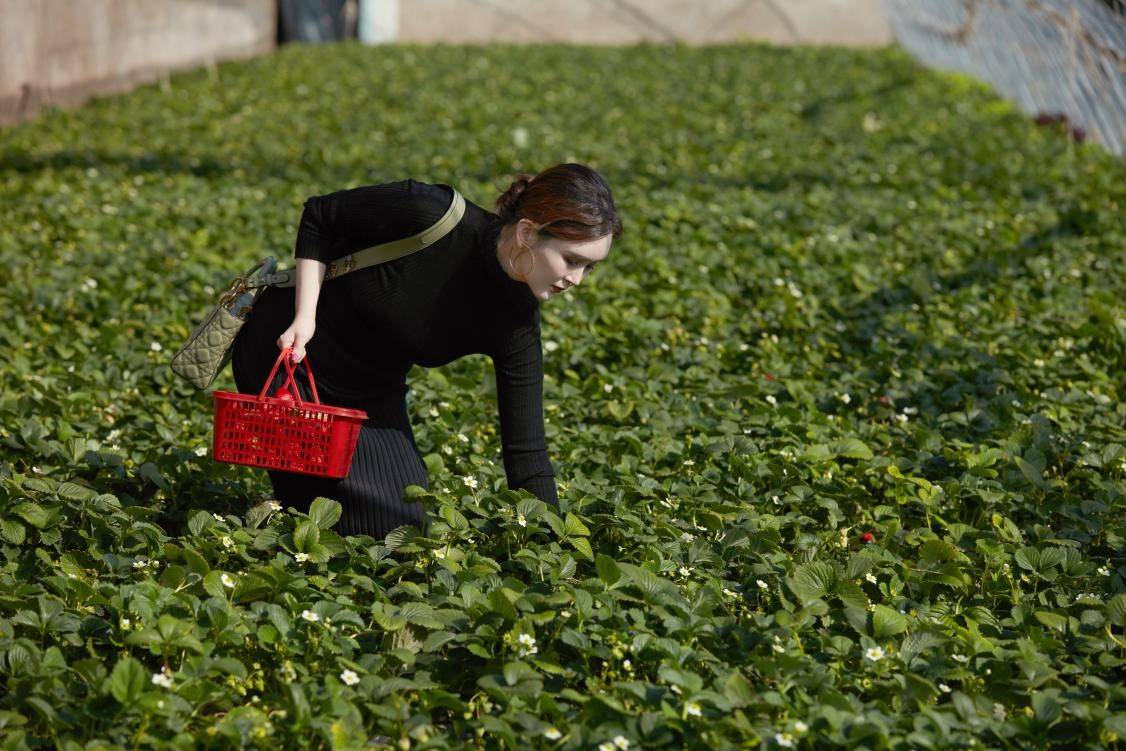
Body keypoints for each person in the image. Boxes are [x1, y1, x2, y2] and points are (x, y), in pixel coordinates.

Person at [230, 163, 622, 540]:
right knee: (348, 515)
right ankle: (278, 516)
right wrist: (305, 317)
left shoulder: (516, 324)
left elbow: (527, 451)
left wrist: (555, 550)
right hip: (290, 359)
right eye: (572, 260)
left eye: (590, 268)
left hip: (371, 391)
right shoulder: (431, 212)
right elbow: (320, 214)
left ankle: (289, 509)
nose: (577, 279)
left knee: (402, 523)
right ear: (526, 231)